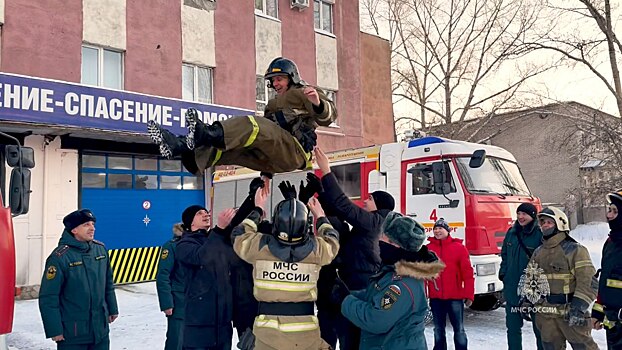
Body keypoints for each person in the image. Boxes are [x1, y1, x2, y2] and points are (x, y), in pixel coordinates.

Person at [147, 57, 337, 175]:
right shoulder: (272, 104)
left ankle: (205, 132)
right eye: (273, 81)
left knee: (253, 125)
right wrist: (265, 177)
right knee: (234, 148)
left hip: (295, 152)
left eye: (279, 79)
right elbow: (269, 138)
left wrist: (318, 104)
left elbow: (329, 117)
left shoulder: (304, 92)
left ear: (291, 77)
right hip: (274, 158)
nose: (275, 84)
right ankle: (181, 147)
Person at [232, 182, 340, 349]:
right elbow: (333, 239)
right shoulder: (317, 250)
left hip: (266, 336)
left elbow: (238, 234)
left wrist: (258, 209)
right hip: (306, 336)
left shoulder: (259, 246)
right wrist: (320, 216)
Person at [313, 147, 396, 350]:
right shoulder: (371, 225)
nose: (365, 201)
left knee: (351, 338)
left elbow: (344, 206)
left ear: (379, 204)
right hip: (351, 285)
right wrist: (322, 194)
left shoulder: (374, 222)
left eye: (370, 198)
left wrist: (326, 173)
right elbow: (339, 223)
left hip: (359, 287)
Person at [337, 212, 445, 350]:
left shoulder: (401, 284)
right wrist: (350, 294)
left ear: (397, 246)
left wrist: (344, 300)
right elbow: (377, 296)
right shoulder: (393, 271)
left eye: (384, 239)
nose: (379, 242)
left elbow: (376, 320)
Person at [38, 209, 119, 350]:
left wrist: (112, 309)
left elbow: (108, 284)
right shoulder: (60, 258)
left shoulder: (100, 250)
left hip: (100, 330)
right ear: (74, 229)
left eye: (93, 224)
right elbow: (48, 297)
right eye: (86, 224)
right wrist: (54, 329)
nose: (92, 228)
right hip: (73, 333)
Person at [526, 207, 598, 350]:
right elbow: (531, 279)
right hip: (547, 316)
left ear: (560, 224)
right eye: (542, 222)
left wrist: (578, 308)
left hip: (570, 313)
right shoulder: (538, 252)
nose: (544, 225)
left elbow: (588, 282)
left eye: (549, 222)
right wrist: (527, 300)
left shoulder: (575, 250)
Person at [175, 205, 236, 350]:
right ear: (191, 222)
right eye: (199, 213)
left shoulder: (214, 238)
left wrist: (253, 199)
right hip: (199, 322)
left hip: (222, 323)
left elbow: (232, 224)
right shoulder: (184, 245)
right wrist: (219, 229)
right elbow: (203, 256)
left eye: (206, 212)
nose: (206, 215)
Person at [499, 203, 544, 350]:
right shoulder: (511, 232)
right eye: (518, 213)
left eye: (524, 214)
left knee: (540, 330)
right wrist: (504, 272)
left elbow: (546, 260)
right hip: (512, 288)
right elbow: (504, 254)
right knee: (512, 329)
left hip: (533, 291)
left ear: (532, 215)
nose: (520, 217)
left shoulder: (540, 234)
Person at [426, 218, 474, 350]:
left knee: (459, 329)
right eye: (435, 228)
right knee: (438, 329)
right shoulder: (428, 249)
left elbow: (468, 273)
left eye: (440, 228)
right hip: (436, 297)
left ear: (448, 231)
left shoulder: (459, 248)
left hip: (455, 297)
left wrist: (469, 295)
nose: (437, 231)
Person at [592, 190, 622, 349]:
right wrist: (598, 312)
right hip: (613, 325)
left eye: (615, 211)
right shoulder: (610, 243)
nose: (609, 215)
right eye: (609, 210)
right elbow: (605, 282)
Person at [156, 223, 188, 350]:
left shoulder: (199, 244)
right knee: (176, 341)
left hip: (196, 305)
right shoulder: (171, 246)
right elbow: (163, 276)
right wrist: (167, 303)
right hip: (178, 304)